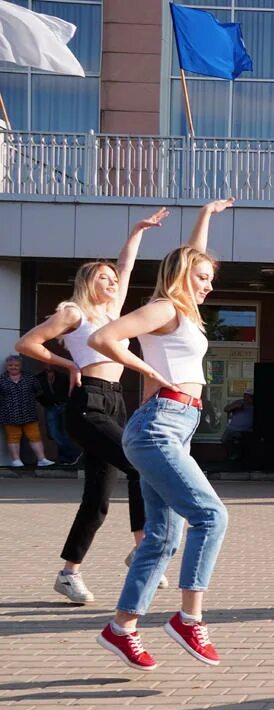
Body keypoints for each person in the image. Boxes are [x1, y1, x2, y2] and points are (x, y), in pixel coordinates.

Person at [87, 198, 235, 671]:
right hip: (158, 426)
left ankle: (121, 627)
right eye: (202, 278)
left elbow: (193, 255)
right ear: (181, 277)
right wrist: (146, 367)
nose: (208, 286)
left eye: (211, 280)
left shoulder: (184, 312)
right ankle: (189, 619)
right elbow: (103, 338)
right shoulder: (165, 307)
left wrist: (206, 216)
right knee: (211, 517)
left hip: (175, 425)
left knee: (161, 539)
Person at [15, 209, 169, 604]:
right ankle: (142, 549)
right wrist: (67, 363)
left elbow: (126, 264)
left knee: (97, 501)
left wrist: (137, 231)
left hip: (115, 401)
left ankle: (69, 573)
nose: (113, 282)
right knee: (140, 464)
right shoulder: (74, 312)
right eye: (105, 278)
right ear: (88, 281)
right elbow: (27, 344)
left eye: (114, 280)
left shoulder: (112, 312)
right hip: (87, 404)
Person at [1, 355, 56, 469]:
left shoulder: (30, 378)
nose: (13, 367)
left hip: (29, 412)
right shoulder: (1, 379)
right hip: (9, 413)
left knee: (34, 436)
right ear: (7, 366)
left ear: (21, 366)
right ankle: (16, 460)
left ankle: (42, 459)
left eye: (16, 365)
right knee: (13, 437)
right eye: (11, 365)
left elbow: (39, 391)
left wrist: (30, 400)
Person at [35, 364, 79, 463]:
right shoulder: (38, 378)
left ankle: (65, 457)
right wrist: (45, 402)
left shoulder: (63, 376)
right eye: (44, 362)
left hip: (64, 406)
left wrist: (68, 401)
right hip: (50, 407)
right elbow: (37, 392)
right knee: (53, 432)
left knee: (65, 432)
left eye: (49, 363)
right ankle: (75, 453)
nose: (48, 365)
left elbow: (72, 390)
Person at [221, 389, 255, 468]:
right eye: (245, 396)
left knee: (242, 442)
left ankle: (238, 457)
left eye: (248, 397)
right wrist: (235, 406)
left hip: (247, 429)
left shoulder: (254, 405)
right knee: (225, 439)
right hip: (232, 428)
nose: (246, 398)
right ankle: (233, 456)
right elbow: (226, 409)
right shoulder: (239, 402)